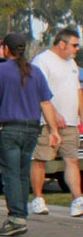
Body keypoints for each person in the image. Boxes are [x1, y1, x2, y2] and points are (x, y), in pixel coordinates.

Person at [0, 32, 60, 237]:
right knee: (22, 174)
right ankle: (21, 214)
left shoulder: (0, 71)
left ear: (6, 49)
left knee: (11, 175)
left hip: (10, 130)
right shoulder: (35, 72)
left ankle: (16, 218)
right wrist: (54, 131)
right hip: (32, 130)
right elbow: (45, 103)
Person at [29, 28, 83, 217]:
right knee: (41, 160)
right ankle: (37, 198)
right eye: (74, 45)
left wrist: (81, 114)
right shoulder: (42, 62)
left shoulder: (72, 63)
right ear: (62, 44)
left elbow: (78, 90)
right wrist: (54, 114)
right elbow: (39, 92)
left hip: (70, 122)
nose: (77, 49)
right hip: (46, 122)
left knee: (72, 160)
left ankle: (77, 200)